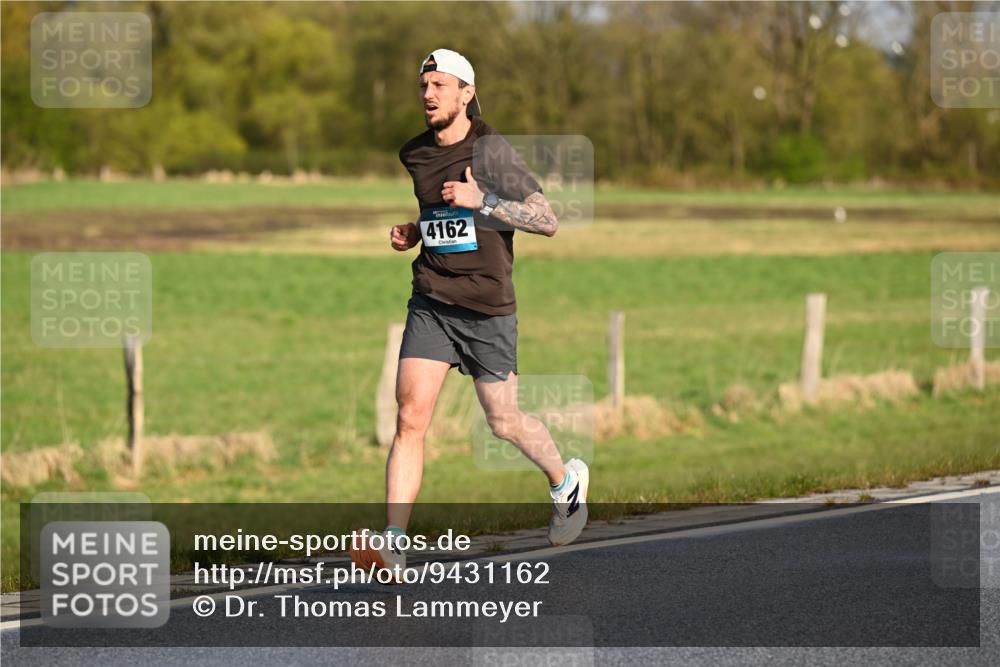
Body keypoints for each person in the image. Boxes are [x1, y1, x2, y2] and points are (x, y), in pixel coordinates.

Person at [350, 49, 589, 577]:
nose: (429, 94)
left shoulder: (492, 151)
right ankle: (393, 542)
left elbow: (546, 220)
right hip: (432, 299)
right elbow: (434, 205)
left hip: (487, 308)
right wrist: (416, 229)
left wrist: (482, 200)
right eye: (423, 85)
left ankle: (564, 481)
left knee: (503, 421)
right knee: (410, 417)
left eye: (440, 85)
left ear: (467, 93)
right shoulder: (414, 154)